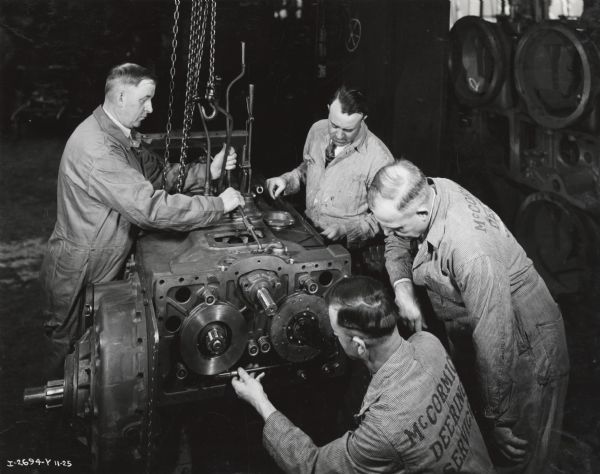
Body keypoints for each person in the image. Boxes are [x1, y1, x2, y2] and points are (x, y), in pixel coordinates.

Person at [39, 63, 245, 377]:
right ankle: (54, 419)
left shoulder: (120, 136)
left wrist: (209, 172)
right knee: (66, 346)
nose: (150, 108)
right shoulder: (97, 149)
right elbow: (149, 207)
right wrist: (217, 205)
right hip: (80, 265)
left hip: (104, 255)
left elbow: (157, 176)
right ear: (121, 96)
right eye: (144, 100)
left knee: (95, 344)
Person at [367, 160, 570, 473]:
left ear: (422, 213)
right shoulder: (428, 193)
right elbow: (395, 239)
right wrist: (402, 287)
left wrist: (499, 419)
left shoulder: (472, 252)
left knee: (520, 456)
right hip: (479, 326)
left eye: (397, 226)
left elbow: (495, 337)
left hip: (524, 345)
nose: (390, 233)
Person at [232, 276, 494, 473]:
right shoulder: (428, 343)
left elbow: (311, 466)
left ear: (358, 346)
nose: (333, 338)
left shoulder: (383, 430)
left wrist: (259, 400)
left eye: (336, 335)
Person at [265, 85, 393, 251]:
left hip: (348, 248)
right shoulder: (317, 130)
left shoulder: (379, 158)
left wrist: (347, 230)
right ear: (328, 110)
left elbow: (386, 217)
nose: (339, 135)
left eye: (348, 130)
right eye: (334, 125)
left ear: (363, 119)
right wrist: (286, 180)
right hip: (307, 232)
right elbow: (308, 169)